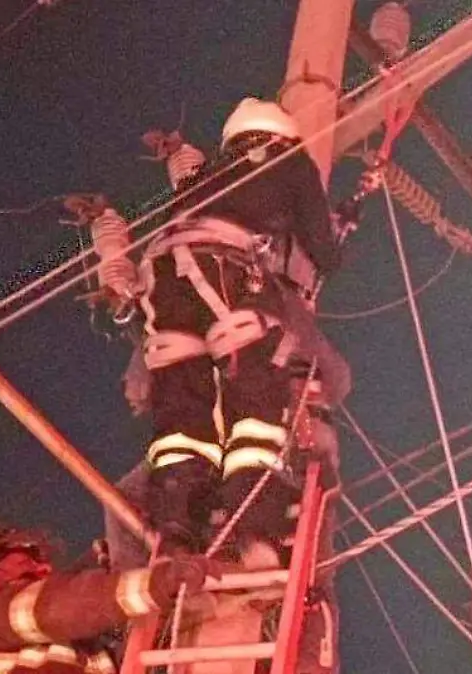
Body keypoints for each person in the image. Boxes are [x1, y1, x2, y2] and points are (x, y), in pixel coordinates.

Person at [136, 97, 341, 564]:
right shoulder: (291, 160)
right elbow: (322, 248)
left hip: (163, 277)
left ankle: (176, 525)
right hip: (223, 268)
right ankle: (253, 524)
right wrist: (331, 250)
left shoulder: (208, 174)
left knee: (184, 409)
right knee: (255, 396)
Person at [0, 521, 215, 674]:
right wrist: (156, 582)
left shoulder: (71, 648)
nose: (43, 566)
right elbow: (58, 606)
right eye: (27, 556)